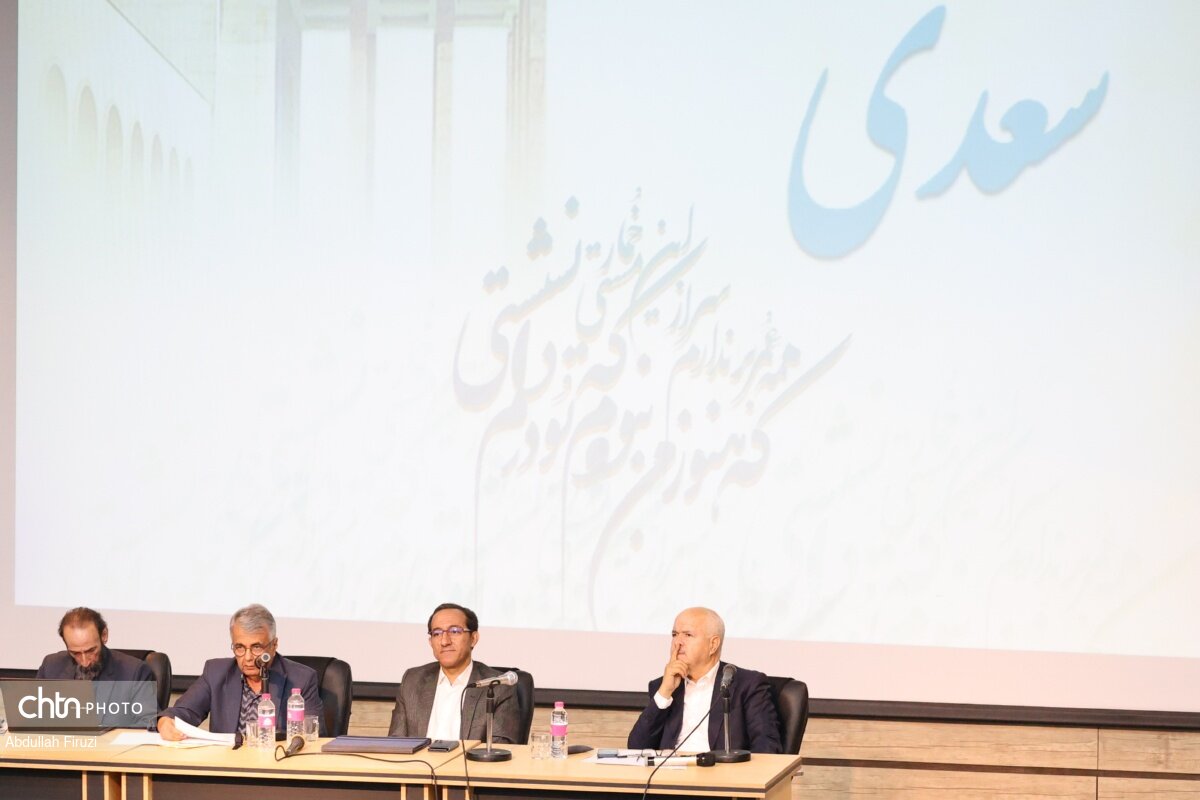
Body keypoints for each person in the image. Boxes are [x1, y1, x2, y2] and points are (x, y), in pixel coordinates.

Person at [157, 604, 321, 741]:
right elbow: (184, 711)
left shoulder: (302, 679)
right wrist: (165, 721)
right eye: (240, 647)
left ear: (274, 645)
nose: (248, 657)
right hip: (227, 765)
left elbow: (315, 736)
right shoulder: (216, 673)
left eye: (256, 647)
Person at [628, 607, 781, 753]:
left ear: (713, 644)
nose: (677, 642)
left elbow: (767, 748)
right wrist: (664, 693)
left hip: (720, 770)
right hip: (670, 769)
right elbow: (636, 748)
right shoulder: (663, 686)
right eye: (674, 634)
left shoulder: (747, 684)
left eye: (688, 635)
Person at [388, 602, 520, 743]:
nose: (445, 641)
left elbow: (501, 749)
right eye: (437, 633)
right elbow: (395, 744)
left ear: (473, 638)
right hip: (420, 758)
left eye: (455, 631)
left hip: (469, 759)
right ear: (430, 642)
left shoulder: (498, 686)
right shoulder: (412, 681)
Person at [36, 607, 154, 683]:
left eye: (91, 651)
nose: (85, 662)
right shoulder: (51, 667)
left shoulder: (134, 673)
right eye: (75, 653)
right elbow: (32, 711)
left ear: (104, 635)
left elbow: (146, 716)